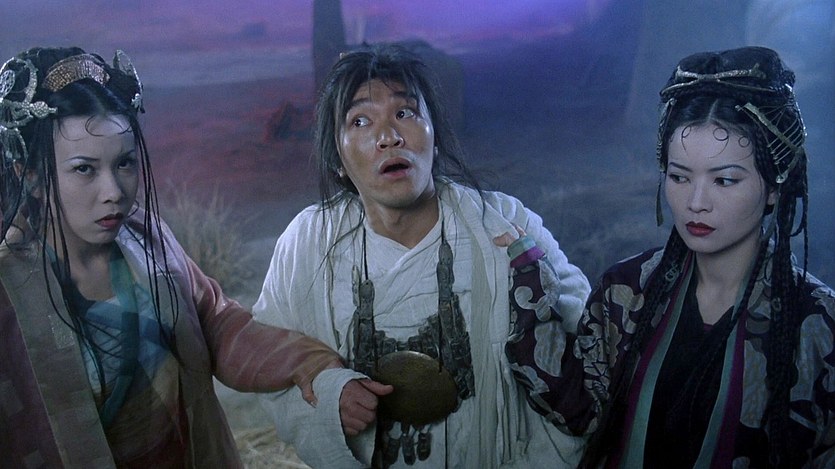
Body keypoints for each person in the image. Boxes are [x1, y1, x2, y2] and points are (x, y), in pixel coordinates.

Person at [0, 46, 344, 467]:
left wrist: (306, 363)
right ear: (31, 175)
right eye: (84, 169)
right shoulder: (8, 292)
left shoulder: (147, 240)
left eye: (124, 163)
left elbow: (216, 325)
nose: (113, 191)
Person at [252, 43, 591, 468]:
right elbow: (270, 359)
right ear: (337, 158)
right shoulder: (307, 244)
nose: (389, 137)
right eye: (361, 121)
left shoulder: (505, 225)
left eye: (405, 112)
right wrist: (328, 399)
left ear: (434, 135)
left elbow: (587, 350)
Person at [504, 46, 835, 467]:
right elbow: (582, 411)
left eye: (725, 181)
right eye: (679, 177)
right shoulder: (627, 291)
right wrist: (527, 279)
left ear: (773, 187)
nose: (696, 202)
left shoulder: (818, 324)